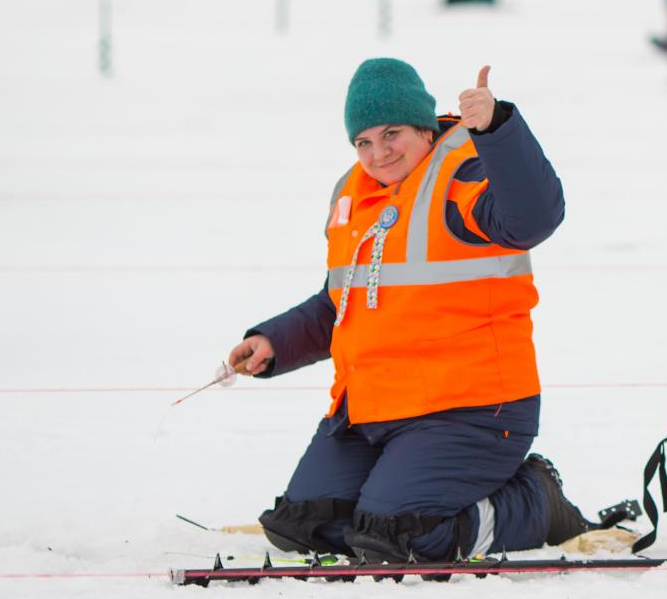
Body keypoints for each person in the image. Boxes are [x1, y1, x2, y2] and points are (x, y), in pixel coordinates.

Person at [224, 59, 608, 563]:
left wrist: (496, 129)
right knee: (304, 525)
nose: (378, 153)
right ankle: (410, 488)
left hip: (470, 411)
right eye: (363, 142)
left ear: (424, 129)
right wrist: (275, 342)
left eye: (392, 133)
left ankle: (534, 501)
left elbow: (532, 218)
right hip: (372, 409)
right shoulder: (354, 195)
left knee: (400, 537)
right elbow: (340, 306)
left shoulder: (465, 172)